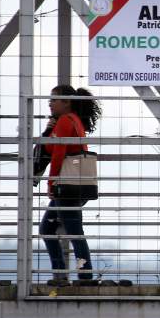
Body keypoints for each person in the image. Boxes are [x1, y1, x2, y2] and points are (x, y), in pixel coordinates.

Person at [39, 84, 100, 286]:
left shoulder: (66, 121)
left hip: (66, 185)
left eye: (54, 100)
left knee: (69, 230)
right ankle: (67, 275)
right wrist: (49, 127)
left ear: (66, 102)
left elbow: (57, 153)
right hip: (72, 184)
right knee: (52, 229)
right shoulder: (70, 120)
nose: (50, 103)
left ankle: (81, 275)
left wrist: (51, 182)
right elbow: (48, 145)